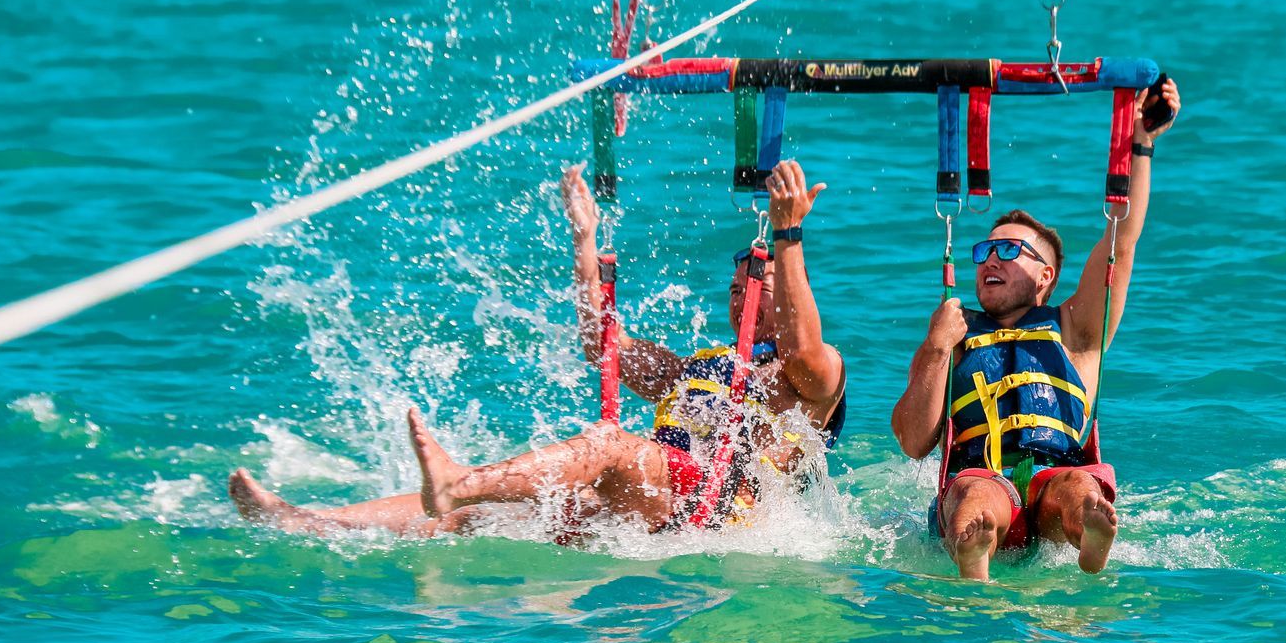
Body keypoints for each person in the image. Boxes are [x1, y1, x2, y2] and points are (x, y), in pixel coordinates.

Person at [229, 160, 846, 539]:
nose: (741, 301)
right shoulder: (700, 367)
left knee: (605, 444)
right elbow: (602, 344)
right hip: (650, 498)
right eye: (734, 290)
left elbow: (802, 343)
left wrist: (788, 234)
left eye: (754, 292)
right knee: (481, 518)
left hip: (711, 508)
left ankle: (458, 481)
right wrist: (585, 241)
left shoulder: (813, 380)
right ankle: (310, 521)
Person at [890, 78, 1181, 581]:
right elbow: (914, 440)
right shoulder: (951, 336)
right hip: (980, 477)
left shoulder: (1077, 330)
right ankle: (974, 551)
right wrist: (937, 348)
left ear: (1046, 276)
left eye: (1008, 251)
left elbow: (1122, 240)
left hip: (1054, 475)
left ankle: (1088, 531)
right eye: (983, 251)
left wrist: (1141, 142)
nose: (988, 261)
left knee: (1077, 490)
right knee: (975, 497)